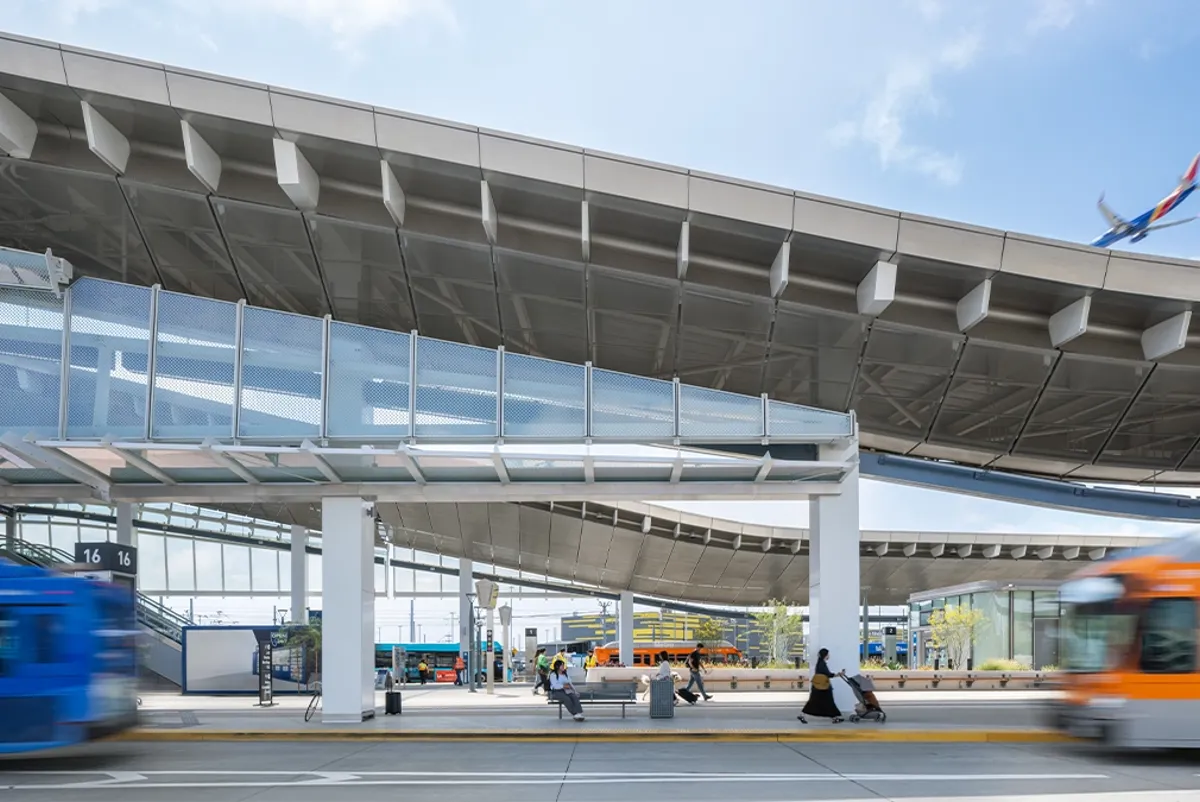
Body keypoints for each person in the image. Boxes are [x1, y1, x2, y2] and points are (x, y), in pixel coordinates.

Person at [798, 648, 844, 724]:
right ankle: (834, 718)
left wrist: (838, 674)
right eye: (828, 654)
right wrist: (839, 674)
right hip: (822, 687)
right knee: (828, 702)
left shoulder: (820, 663)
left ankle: (834, 718)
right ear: (825, 655)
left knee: (815, 702)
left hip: (818, 687)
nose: (829, 656)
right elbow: (828, 674)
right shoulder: (822, 664)